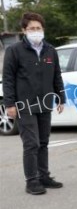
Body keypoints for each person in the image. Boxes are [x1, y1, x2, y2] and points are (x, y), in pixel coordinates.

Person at [2, 12, 65, 195]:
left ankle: (43, 176)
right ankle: (31, 181)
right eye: (31, 29)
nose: (35, 31)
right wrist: (10, 104)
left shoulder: (50, 50)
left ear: (43, 29)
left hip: (44, 103)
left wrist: (60, 97)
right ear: (24, 31)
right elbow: (8, 79)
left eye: (38, 28)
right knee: (31, 143)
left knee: (44, 142)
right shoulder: (14, 51)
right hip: (24, 105)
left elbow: (56, 75)